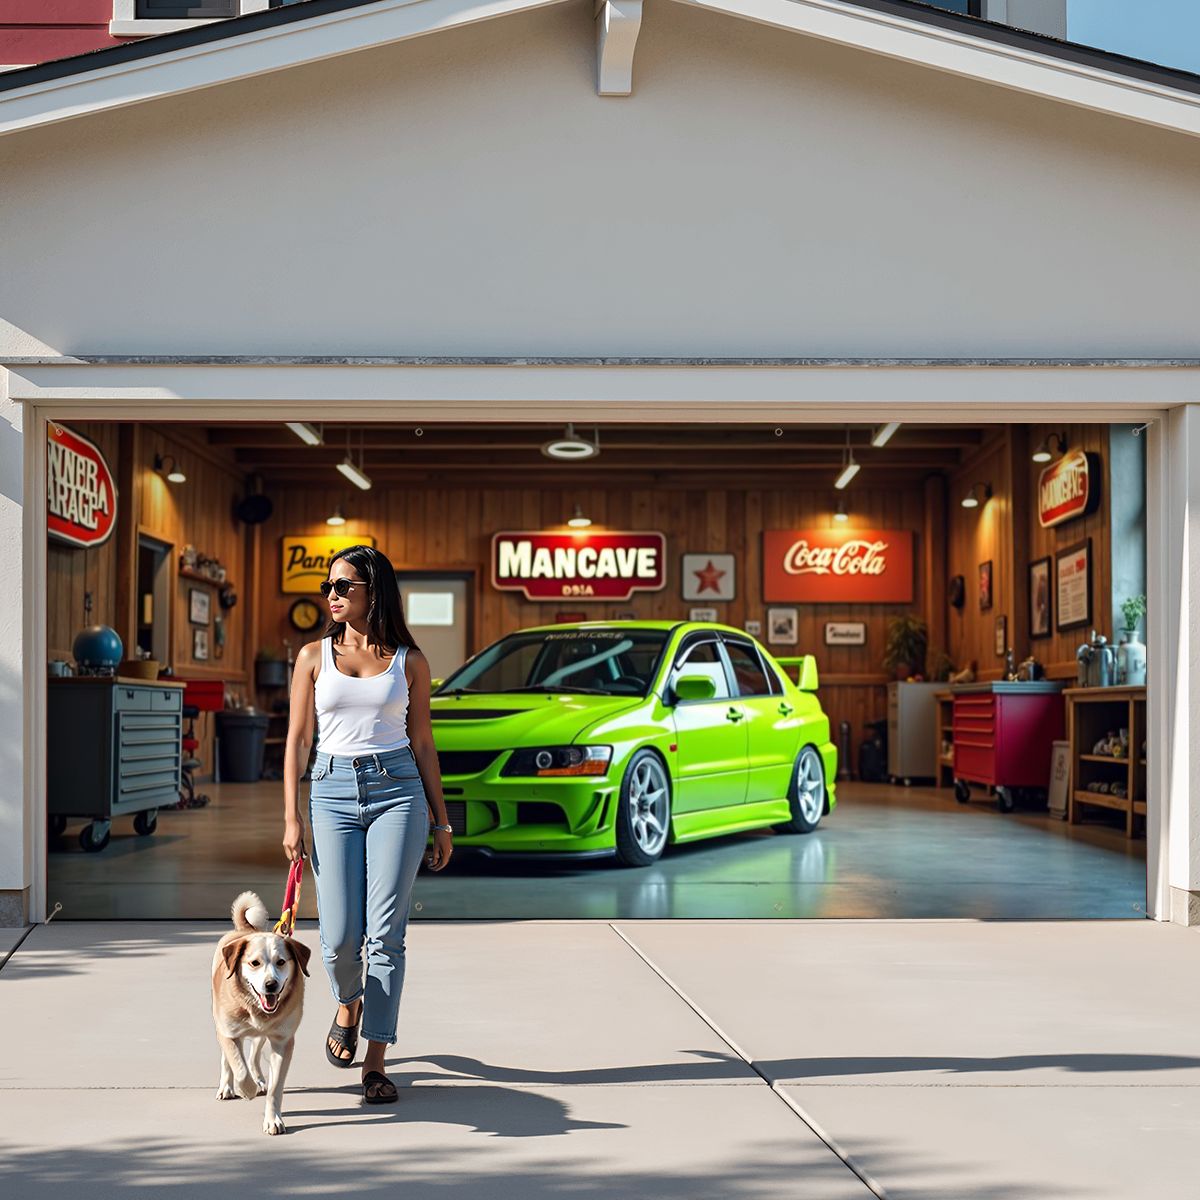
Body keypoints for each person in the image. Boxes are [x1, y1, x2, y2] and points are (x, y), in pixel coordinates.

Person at [281, 544, 453, 1104]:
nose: (331, 596)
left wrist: (442, 820)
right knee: (336, 940)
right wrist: (291, 816)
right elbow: (298, 741)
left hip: (397, 791)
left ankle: (376, 1060)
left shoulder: (411, 660)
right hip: (330, 791)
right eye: (328, 586)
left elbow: (423, 741)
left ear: (372, 592)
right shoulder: (312, 656)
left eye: (342, 587)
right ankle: (348, 1001)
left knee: (385, 935)